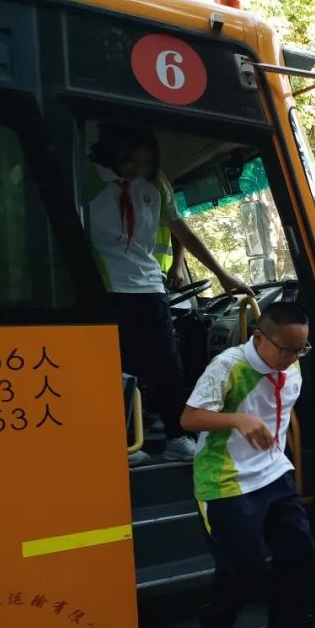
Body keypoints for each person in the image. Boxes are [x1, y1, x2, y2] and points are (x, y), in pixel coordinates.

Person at [88, 124, 250, 464]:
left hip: (148, 287)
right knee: (114, 369)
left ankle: (178, 436)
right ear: (114, 153)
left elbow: (183, 232)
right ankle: (123, 440)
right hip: (104, 288)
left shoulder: (156, 184)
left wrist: (223, 274)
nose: (137, 169)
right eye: (131, 161)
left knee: (167, 366)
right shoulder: (88, 178)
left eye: (145, 162)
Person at [180, 302, 314, 628]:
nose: (292, 359)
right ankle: (216, 627)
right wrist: (237, 419)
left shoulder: (292, 366)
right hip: (225, 479)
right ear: (258, 337)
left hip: (273, 472)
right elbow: (189, 418)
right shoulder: (229, 365)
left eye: (300, 350)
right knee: (246, 568)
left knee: (301, 557)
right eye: (286, 349)